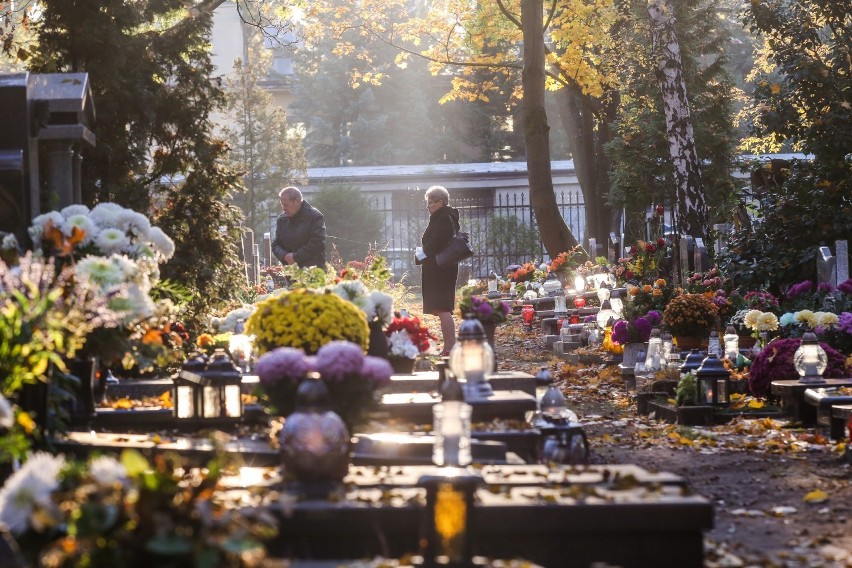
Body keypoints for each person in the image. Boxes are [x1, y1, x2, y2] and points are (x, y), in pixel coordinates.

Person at [416, 185, 460, 355]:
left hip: (441, 269)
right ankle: (449, 346)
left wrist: (421, 253)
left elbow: (436, 243)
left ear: (441, 202)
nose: (428, 206)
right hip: (441, 267)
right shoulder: (444, 216)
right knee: (442, 308)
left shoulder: (442, 218)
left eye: (431, 202)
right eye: (428, 203)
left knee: (442, 308)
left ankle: (451, 346)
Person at [272, 186, 327, 269]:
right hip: (291, 273)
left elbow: (317, 243)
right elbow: (275, 244)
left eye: (286, 205)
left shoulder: (315, 217)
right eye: (282, 205)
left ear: (297, 201)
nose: (283, 208)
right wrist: (284, 255)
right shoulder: (282, 220)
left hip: (313, 272)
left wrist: (295, 257)